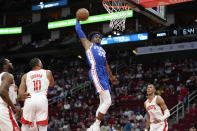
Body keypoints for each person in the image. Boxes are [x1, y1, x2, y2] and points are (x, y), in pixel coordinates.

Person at [75, 20, 117, 130]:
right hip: (96, 71)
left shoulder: (103, 50)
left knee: (103, 101)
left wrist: (111, 76)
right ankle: (96, 124)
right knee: (108, 101)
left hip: (104, 74)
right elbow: (79, 31)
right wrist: (77, 20)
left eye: (100, 37)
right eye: (96, 37)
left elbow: (106, 64)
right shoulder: (88, 44)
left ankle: (94, 127)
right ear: (92, 38)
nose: (99, 38)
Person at [19, 58, 54, 131]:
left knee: (25, 124)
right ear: (39, 64)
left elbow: (20, 93)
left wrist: (23, 97)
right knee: (42, 125)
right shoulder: (48, 72)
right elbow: (51, 84)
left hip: (30, 98)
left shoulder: (25, 75)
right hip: (42, 98)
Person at [0, 58, 21, 131]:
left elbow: (12, 98)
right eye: (9, 62)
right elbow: (2, 92)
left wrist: (20, 97)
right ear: (5, 66)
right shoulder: (8, 75)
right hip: (3, 109)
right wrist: (14, 108)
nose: (11, 63)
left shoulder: (2, 78)